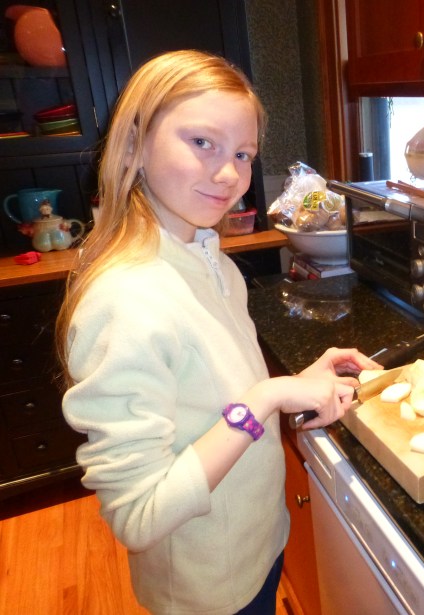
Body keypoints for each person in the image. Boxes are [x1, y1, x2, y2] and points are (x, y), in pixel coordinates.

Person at [55, 49, 381, 615]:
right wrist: (269, 396)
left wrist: (297, 381)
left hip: (254, 547)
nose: (229, 173)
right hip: (207, 592)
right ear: (134, 144)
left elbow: (214, 399)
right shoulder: (125, 298)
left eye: (243, 153)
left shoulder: (209, 258)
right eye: (202, 142)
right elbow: (138, 515)